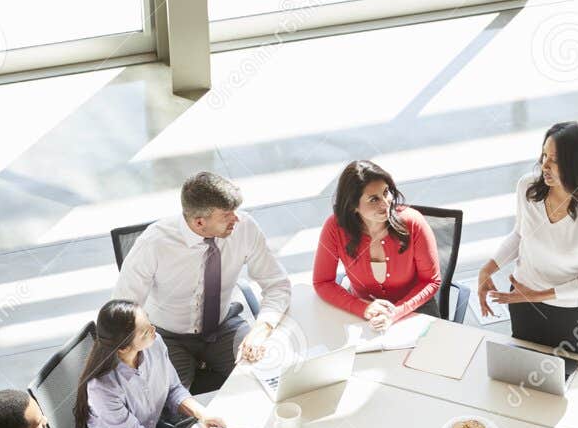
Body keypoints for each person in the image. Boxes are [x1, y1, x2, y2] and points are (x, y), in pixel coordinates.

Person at [113, 171, 290, 392]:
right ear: (199, 222)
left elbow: (277, 284)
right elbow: (122, 308)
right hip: (166, 336)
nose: (236, 218)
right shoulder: (153, 243)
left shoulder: (245, 228)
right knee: (172, 407)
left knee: (273, 380)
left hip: (223, 327)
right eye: (226, 215)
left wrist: (261, 329)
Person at [476, 121, 578, 356]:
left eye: (555, 160)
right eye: (544, 155)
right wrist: (487, 269)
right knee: (520, 369)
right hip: (523, 302)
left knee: (565, 383)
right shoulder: (528, 188)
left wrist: (537, 296)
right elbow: (520, 235)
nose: (545, 165)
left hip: (573, 315)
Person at [75, 300, 245, 428]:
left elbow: (173, 389)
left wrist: (203, 414)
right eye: (145, 331)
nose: (153, 330)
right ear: (123, 348)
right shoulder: (102, 387)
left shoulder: (155, 344)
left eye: (149, 322)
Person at [312, 160, 441, 333]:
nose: (386, 204)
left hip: (414, 308)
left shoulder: (413, 223)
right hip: (365, 311)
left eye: (386, 192)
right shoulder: (335, 228)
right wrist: (362, 308)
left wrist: (394, 314)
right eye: (374, 199)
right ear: (353, 206)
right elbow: (322, 282)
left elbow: (431, 281)